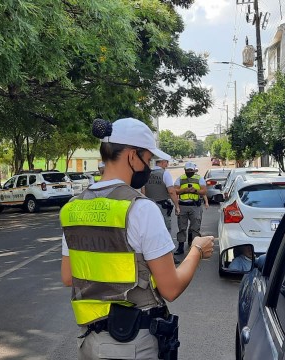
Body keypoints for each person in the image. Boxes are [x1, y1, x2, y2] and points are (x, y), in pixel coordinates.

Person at [60, 118, 215, 360]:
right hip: (133, 344)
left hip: (90, 343)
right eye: (148, 159)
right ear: (132, 157)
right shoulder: (140, 209)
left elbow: (68, 277)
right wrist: (196, 249)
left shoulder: (72, 208)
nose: (149, 167)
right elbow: (171, 288)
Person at [173, 162, 206, 256]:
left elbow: (204, 191)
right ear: (185, 170)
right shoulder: (180, 178)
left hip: (195, 205)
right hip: (183, 205)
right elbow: (175, 190)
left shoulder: (199, 178)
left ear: (194, 170)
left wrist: (195, 191)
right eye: (187, 170)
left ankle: (194, 247)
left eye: (191, 170)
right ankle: (180, 247)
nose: (189, 172)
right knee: (182, 227)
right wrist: (184, 190)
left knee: (195, 227)